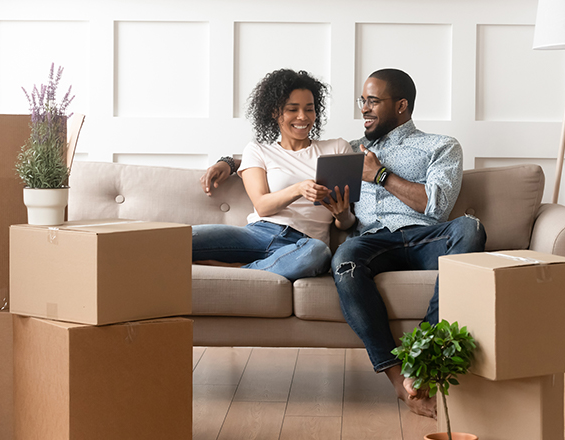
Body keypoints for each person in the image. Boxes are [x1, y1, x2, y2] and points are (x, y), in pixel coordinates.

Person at [200, 68, 486, 417]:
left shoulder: (440, 145)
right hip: (372, 242)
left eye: (373, 102)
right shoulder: (351, 150)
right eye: (362, 101)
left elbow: (437, 205)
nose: (364, 109)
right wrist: (228, 162)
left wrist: (379, 175)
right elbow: (287, 154)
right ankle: (398, 376)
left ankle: (420, 357)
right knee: (345, 258)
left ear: (401, 105)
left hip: (427, 236)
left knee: (470, 228)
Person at [192, 69, 356, 282]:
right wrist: (298, 189)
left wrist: (343, 216)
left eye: (309, 109)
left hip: (304, 243)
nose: (303, 117)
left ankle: (239, 271)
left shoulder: (338, 148)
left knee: (319, 254)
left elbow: (347, 220)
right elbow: (262, 205)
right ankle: (263, 268)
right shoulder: (258, 150)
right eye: (292, 109)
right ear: (274, 112)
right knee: (179, 238)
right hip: (257, 234)